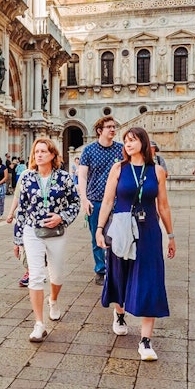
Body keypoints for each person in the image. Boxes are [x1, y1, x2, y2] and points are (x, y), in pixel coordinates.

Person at [95, 126, 176, 362]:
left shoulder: (157, 171)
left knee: (149, 279)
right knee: (120, 274)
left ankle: (145, 340)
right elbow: (108, 200)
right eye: (125, 141)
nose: (127, 145)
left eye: (132, 140)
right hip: (121, 228)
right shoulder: (118, 168)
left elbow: (163, 206)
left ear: (143, 142)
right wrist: (100, 230)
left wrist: (170, 236)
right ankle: (119, 313)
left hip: (148, 230)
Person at [11, 138, 80, 343]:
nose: (39, 154)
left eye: (43, 151)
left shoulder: (64, 177)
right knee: (35, 275)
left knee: (56, 275)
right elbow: (21, 209)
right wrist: (17, 239)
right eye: (36, 151)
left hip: (56, 232)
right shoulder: (26, 178)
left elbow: (75, 204)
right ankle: (39, 324)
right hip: (32, 231)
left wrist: (62, 217)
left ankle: (54, 299)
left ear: (52, 155)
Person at [77, 116, 123, 285]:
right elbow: (82, 176)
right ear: (99, 130)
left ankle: (117, 268)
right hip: (95, 200)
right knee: (97, 235)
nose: (113, 129)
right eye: (109, 127)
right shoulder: (88, 151)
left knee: (118, 235)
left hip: (118, 200)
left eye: (114, 126)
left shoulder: (121, 149)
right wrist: (84, 198)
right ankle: (100, 270)